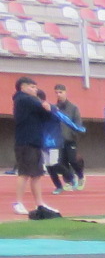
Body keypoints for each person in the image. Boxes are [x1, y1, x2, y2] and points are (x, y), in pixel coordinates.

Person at [11, 76, 57, 218]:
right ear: (22, 87)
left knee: (37, 174)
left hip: (36, 142)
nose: (35, 90)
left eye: (36, 87)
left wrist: (49, 109)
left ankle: (39, 203)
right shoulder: (22, 99)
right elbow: (43, 106)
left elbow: (48, 113)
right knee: (24, 173)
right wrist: (47, 106)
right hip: (25, 142)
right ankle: (18, 202)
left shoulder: (33, 102)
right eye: (31, 87)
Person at [49, 83, 83, 190]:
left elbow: (78, 123)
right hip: (59, 139)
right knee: (62, 161)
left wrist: (74, 135)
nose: (58, 94)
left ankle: (80, 176)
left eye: (61, 92)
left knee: (72, 160)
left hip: (70, 139)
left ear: (65, 92)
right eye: (56, 93)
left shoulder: (73, 108)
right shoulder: (54, 108)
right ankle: (68, 181)